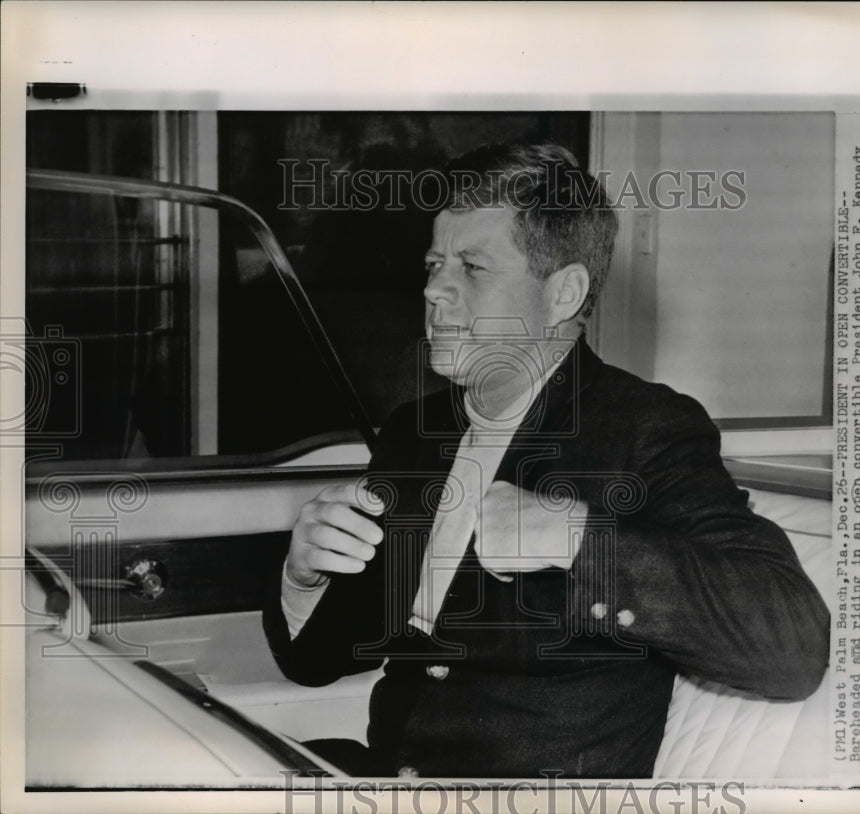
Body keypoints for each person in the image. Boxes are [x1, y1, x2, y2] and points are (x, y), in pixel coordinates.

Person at [263, 143, 830, 779]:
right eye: (433, 264)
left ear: (563, 293)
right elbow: (317, 664)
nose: (434, 291)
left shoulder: (647, 429)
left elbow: (792, 651)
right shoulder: (411, 434)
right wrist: (302, 579)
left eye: (472, 268)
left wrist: (576, 538)